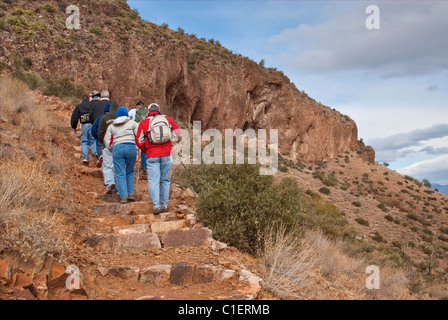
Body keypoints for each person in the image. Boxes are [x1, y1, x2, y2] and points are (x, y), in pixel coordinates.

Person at [136, 103, 180, 215]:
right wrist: (170, 142)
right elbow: (178, 133)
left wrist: (146, 149)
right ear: (159, 110)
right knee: (165, 180)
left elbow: (139, 141)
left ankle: (156, 205)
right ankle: (165, 205)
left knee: (153, 180)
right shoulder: (167, 120)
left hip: (152, 155)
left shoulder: (144, 123)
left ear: (148, 111)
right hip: (166, 153)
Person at [104, 107, 139, 204]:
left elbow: (107, 141)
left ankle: (124, 196)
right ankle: (131, 193)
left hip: (118, 148)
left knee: (120, 173)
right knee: (130, 171)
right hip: (131, 147)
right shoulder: (133, 123)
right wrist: (136, 146)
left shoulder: (112, 126)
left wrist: (112, 148)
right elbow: (139, 135)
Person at [98, 101, 120, 194]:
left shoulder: (104, 118)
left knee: (108, 166)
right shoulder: (122, 119)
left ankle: (110, 182)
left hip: (107, 146)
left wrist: (103, 143)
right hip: (119, 145)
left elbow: (100, 133)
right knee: (118, 167)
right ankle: (119, 189)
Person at [70, 95, 97, 165]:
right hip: (92, 124)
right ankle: (95, 153)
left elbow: (74, 117)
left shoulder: (79, 106)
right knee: (93, 139)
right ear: (88, 99)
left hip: (84, 124)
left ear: (82, 99)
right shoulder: (92, 104)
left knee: (84, 141)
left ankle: (85, 157)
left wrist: (74, 127)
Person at [89, 90, 110, 167]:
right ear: (108, 96)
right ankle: (108, 158)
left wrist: (93, 123)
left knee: (98, 143)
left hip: (98, 126)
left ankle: (100, 156)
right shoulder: (111, 105)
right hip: (109, 127)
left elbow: (90, 115)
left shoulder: (95, 104)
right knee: (108, 144)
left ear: (101, 96)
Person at [129, 101, 148, 176]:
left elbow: (128, 119)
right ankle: (144, 168)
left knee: (133, 149)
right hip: (144, 132)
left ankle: (131, 167)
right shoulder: (146, 112)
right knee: (143, 149)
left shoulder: (132, 111)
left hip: (134, 132)